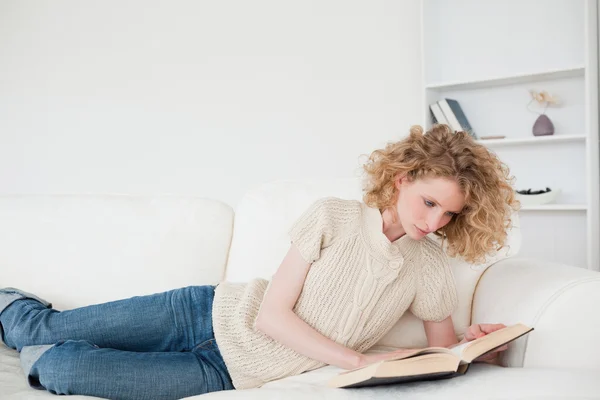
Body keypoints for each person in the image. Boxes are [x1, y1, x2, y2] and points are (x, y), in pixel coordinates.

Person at [0, 124, 519, 400]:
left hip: (223, 371)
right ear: (403, 179)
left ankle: (61, 346)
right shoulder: (333, 217)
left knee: (61, 367)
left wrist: (478, 350)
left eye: (450, 214)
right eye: (429, 202)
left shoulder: (427, 264)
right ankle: (12, 305)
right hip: (204, 312)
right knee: (37, 328)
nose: (434, 223)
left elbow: (439, 355)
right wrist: (358, 362)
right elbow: (272, 316)